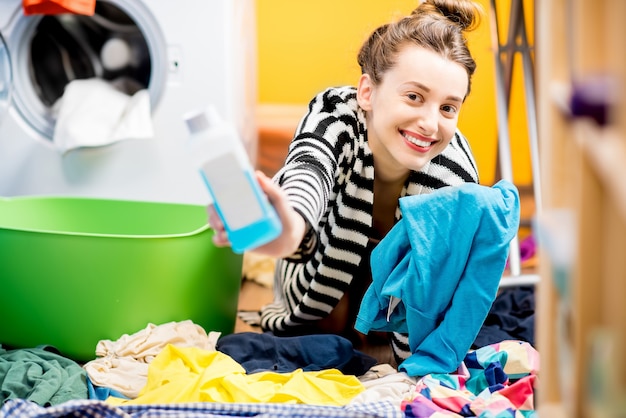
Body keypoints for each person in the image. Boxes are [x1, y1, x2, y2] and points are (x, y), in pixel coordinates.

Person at [209, 0, 484, 365]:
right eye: (414, 97)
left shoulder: (455, 177)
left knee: (383, 338)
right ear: (367, 92)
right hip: (323, 256)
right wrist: (284, 227)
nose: (431, 124)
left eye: (448, 108)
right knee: (325, 326)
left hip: (397, 286)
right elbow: (308, 174)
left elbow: (437, 292)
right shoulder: (335, 115)